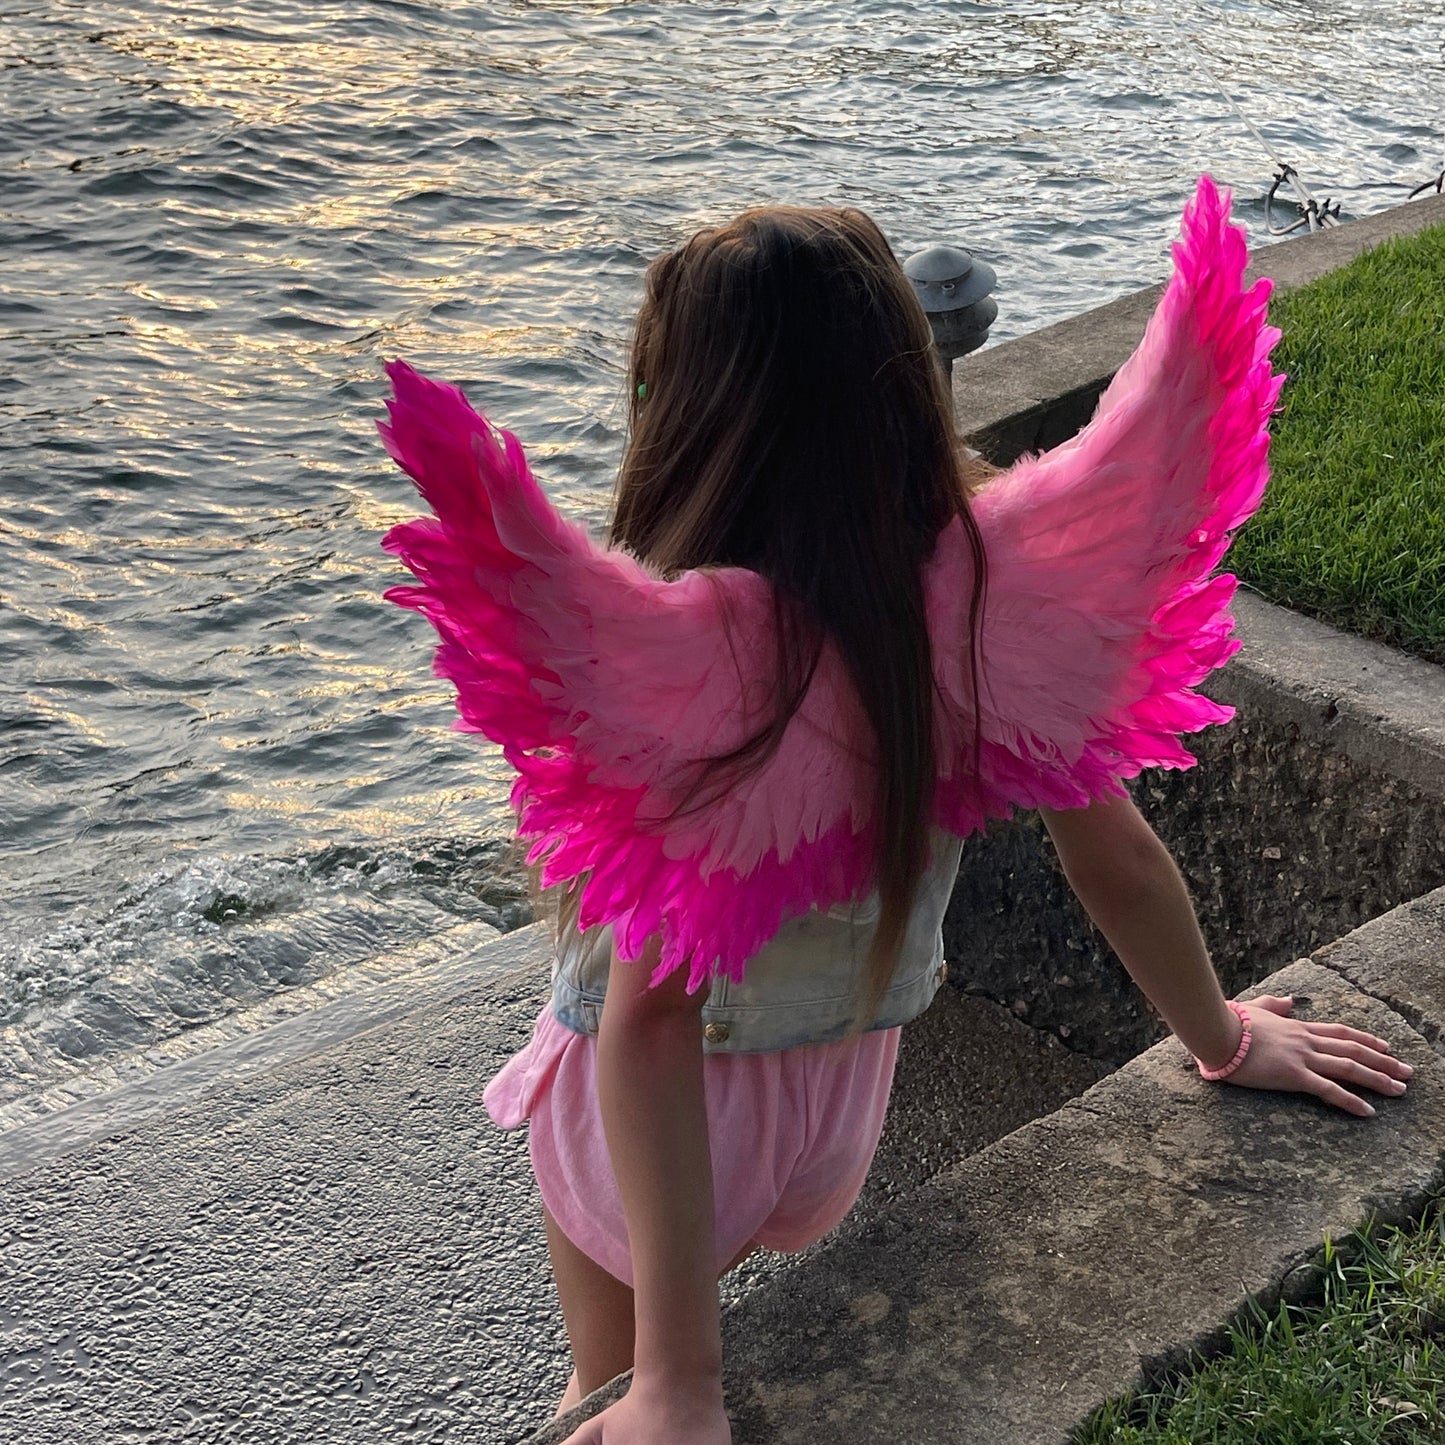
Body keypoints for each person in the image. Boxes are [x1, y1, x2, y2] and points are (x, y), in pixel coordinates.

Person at [378, 177, 1413, 1445]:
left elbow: (646, 1022)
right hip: (838, 1098)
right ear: (905, 382)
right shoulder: (988, 600)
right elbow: (1118, 854)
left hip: (665, 1111)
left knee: (608, 1405)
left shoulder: (711, 675)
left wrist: (678, 1382)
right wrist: (1219, 1037)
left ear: (684, 409)